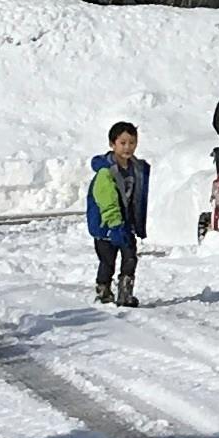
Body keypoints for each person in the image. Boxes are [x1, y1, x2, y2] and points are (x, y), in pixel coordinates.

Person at [87, 121, 150, 306]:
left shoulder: (136, 169)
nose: (127, 147)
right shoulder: (105, 172)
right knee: (108, 261)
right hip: (106, 225)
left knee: (130, 257)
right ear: (112, 144)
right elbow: (107, 201)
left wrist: (136, 223)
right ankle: (104, 290)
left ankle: (125, 292)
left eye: (132, 142)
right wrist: (114, 224)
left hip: (126, 224)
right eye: (122, 143)